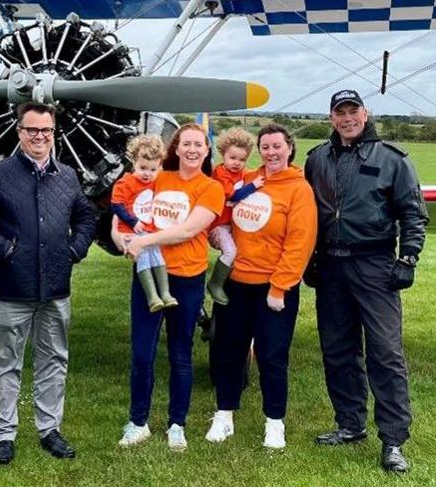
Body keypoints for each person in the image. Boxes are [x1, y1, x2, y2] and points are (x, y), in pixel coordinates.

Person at [303, 90, 428, 474]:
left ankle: (393, 440)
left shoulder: (392, 159)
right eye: (340, 113)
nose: (347, 118)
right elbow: (305, 215)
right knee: (338, 350)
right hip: (331, 268)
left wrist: (407, 258)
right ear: (331, 118)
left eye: (353, 111)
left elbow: (413, 213)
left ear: (365, 113)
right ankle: (350, 424)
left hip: (374, 265)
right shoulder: (316, 159)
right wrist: (308, 258)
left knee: (385, 353)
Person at [0, 102, 98, 465]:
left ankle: (49, 428)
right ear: (19, 132)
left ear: (54, 133)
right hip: (12, 287)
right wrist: (3, 250)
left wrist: (75, 249)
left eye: (46, 131)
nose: (40, 137)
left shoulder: (68, 176)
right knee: (5, 361)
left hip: (56, 287)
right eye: (32, 130)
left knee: (54, 359)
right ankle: (4, 434)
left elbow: (86, 216)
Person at [204, 124, 317, 449]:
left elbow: (300, 242)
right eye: (265, 147)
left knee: (272, 356)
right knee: (227, 352)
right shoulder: (248, 179)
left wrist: (280, 286)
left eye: (277, 146)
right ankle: (224, 416)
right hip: (235, 285)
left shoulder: (299, 189)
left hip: (273, 289)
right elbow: (223, 214)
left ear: (289, 148)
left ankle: (274, 422)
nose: (271, 152)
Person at [115, 123, 225, 451]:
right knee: (142, 353)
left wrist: (144, 240)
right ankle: (138, 421)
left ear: (207, 151)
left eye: (199, 145)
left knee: (181, 353)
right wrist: (120, 235)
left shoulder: (211, 188)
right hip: (147, 275)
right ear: (175, 149)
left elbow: (188, 230)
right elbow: (125, 203)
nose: (192, 150)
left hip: (187, 280)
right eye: (186, 144)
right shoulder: (158, 176)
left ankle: (177, 423)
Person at [109, 134, 178, 311]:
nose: (147, 173)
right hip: (132, 229)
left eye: (153, 169)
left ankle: (165, 293)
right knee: (144, 257)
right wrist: (132, 221)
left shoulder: (156, 182)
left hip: (149, 230)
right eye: (143, 168)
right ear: (133, 163)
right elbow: (117, 205)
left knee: (156, 254)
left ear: (160, 167)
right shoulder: (125, 183)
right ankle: (152, 296)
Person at [206, 127, 256, 305]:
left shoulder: (244, 173)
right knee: (230, 252)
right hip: (217, 227)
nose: (237, 163)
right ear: (223, 153)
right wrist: (253, 186)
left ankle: (231, 287)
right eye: (232, 158)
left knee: (242, 255)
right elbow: (233, 196)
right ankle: (214, 284)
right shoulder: (220, 173)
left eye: (242, 159)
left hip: (233, 226)